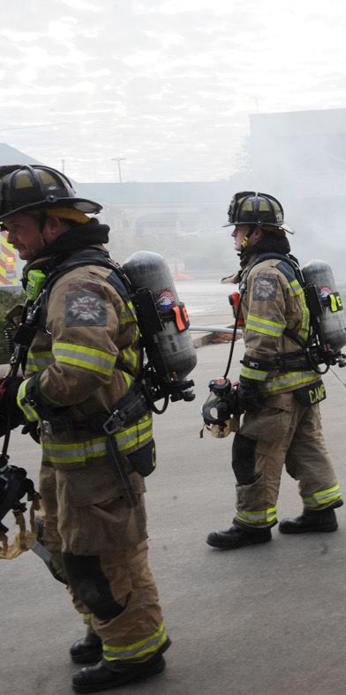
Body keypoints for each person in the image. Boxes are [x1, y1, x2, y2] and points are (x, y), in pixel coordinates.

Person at [0, 165, 169, 692]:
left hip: (99, 448)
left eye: (16, 226)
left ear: (52, 224)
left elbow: (80, 370)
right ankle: (109, 628)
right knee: (70, 544)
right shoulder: (63, 275)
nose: (10, 238)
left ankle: (136, 653)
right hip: (74, 444)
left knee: (106, 553)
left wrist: (18, 398)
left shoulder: (79, 284)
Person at [206, 191, 343, 550]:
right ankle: (322, 510)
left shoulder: (264, 275)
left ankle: (252, 524)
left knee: (254, 451)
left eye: (239, 229)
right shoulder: (285, 265)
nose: (234, 235)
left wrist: (249, 385)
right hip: (304, 381)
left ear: (255, 233)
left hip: (278, 386)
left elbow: (264, 337)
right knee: (306, 447)